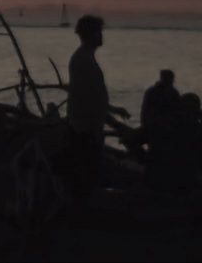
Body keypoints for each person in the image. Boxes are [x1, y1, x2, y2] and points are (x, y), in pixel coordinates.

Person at [65, 15, 130, 195]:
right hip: (85, 129)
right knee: (87, 176)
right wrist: (102, 123)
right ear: (92, 34)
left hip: (89, 128)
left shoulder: (85, 58)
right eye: (99, 32)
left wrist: (114, 110)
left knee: (90, 174)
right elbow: (86, 97)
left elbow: (95, 96)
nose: (102, 36)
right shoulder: (82, 60)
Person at [141, 69, 180, 137]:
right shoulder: (152, 92)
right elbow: (145, 111)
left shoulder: (174, 93)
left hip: (166, 125)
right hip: (154, 125)